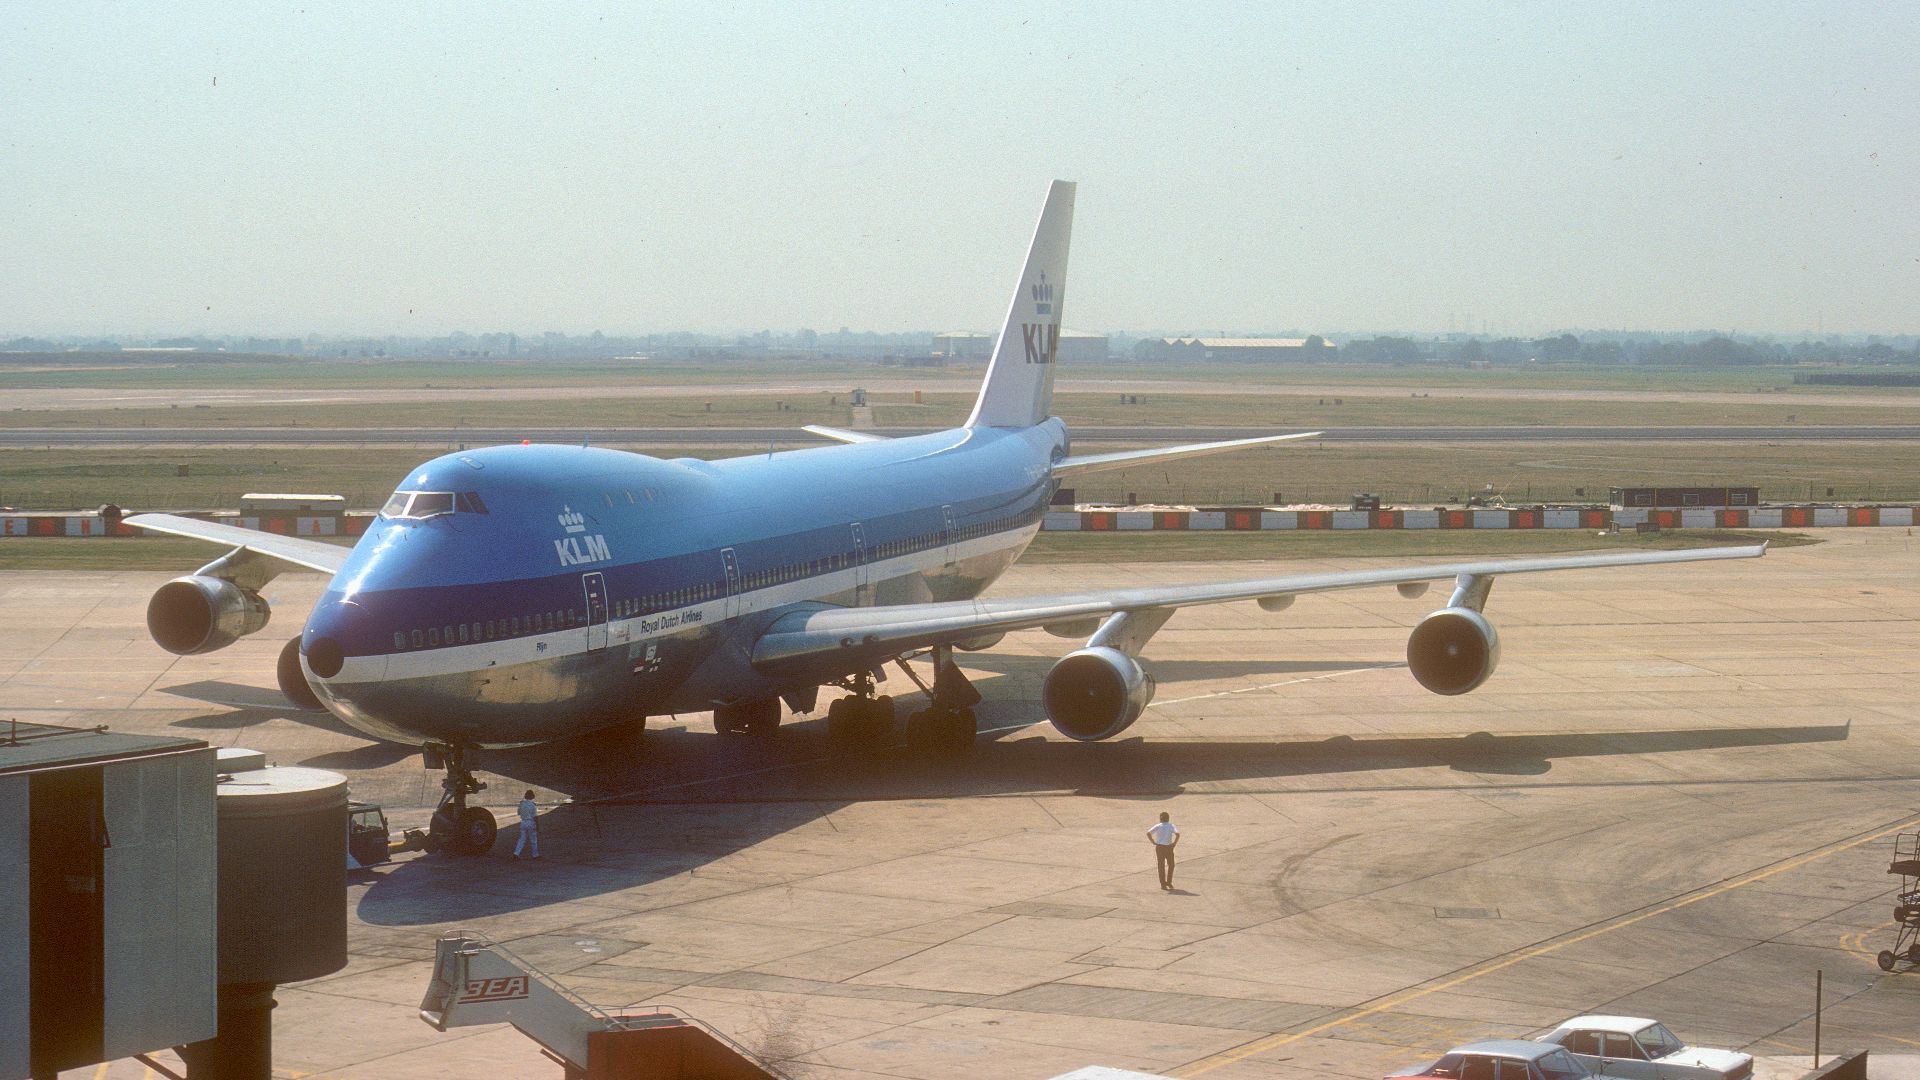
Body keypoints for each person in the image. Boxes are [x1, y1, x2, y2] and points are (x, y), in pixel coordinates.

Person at [1146, 811, 1178, 890]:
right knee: (1171, 865)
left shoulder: (1158, 826)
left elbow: (1148, 833)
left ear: (1161, 819)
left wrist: (1153, 842)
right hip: (1169, 847)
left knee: (1161, 866)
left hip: (1159, 847)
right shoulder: (1171, 825)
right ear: (1168, 818)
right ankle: (1169, 882)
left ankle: (1163, 884)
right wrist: (1174, 843)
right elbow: (1177, 834)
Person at [513, 789, 540, 859]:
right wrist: (538, 826)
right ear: (532, 796)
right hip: (531, 822)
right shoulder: (533, 805)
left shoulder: (521, 804)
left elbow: (518, 813)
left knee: (522, 839)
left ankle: (516, 853)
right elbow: (535, 816)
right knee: (533, 840)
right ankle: (535, 855)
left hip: (523, 822)